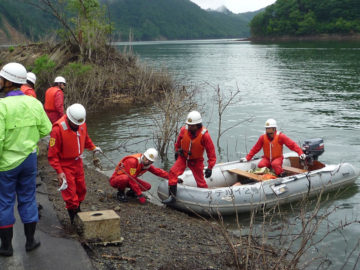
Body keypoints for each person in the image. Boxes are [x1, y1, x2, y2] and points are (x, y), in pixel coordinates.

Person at [0, 62, 52, 256]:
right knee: (28, 199)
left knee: (5, 202)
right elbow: (46, 129)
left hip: (6, 163)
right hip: (29, 160)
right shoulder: (34, 103)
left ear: (8, 82)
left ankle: (6, 247)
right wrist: (29, 138)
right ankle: (30, 242)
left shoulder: (2, 106)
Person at [47, 103, 101, 224]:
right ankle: (74, 218)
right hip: (65, 164)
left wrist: (93, 148)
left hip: (78, 162)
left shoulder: (81, 123)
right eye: (75, 124)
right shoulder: (58, 129)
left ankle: (77, 209)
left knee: (82, 189)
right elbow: (52, 154)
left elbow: (85, 139)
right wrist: (59, 172)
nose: (77, 125)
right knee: (70, 194)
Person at [163, 111, 216, 205]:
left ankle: (207, 199)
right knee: (173, 172)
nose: (189, 127)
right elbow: (179, 141)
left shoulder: (205, 135)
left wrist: (210, 167)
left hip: (196, 160)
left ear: (198, 125)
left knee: (200, 181)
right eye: (188, 125)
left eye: (192, 125)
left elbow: (211, 152)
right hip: (183, 157)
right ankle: (172, 197)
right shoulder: (184, 130)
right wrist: (177, 150)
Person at [240, 119, 306, 176]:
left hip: (277, 158)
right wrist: (247, 158)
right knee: (261, 165)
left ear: (274, 128)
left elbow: (292, 145)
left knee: (275, 164)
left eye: (269, 128)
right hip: (267, 158)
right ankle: (268, 174)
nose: (267, 130)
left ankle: (281, 174)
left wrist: (300, 153)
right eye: (266, 128)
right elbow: (255, 148)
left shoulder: (281, 137)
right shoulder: (262, 137)